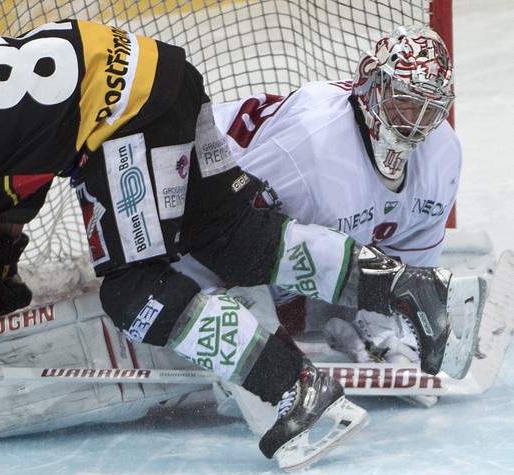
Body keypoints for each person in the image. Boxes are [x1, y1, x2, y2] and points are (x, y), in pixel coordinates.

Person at [0, 19, 453, 470]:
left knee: (137, 291)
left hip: (121, 120)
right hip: (163, 76)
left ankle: (291, 388)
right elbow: (13, 151)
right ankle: (393, 282)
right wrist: (2, 246)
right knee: (234, 235)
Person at [190, 26, 457, 398]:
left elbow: (412, 247)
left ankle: (366, 323)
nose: (415, 119)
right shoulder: (310, 150)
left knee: (341, 259)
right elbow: (222, 229)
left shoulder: (443, 152)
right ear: (370, 82)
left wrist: (392, 315)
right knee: (234, 262)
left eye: (431, 106)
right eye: (405, 100)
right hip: (192, 179)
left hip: (289, 217)